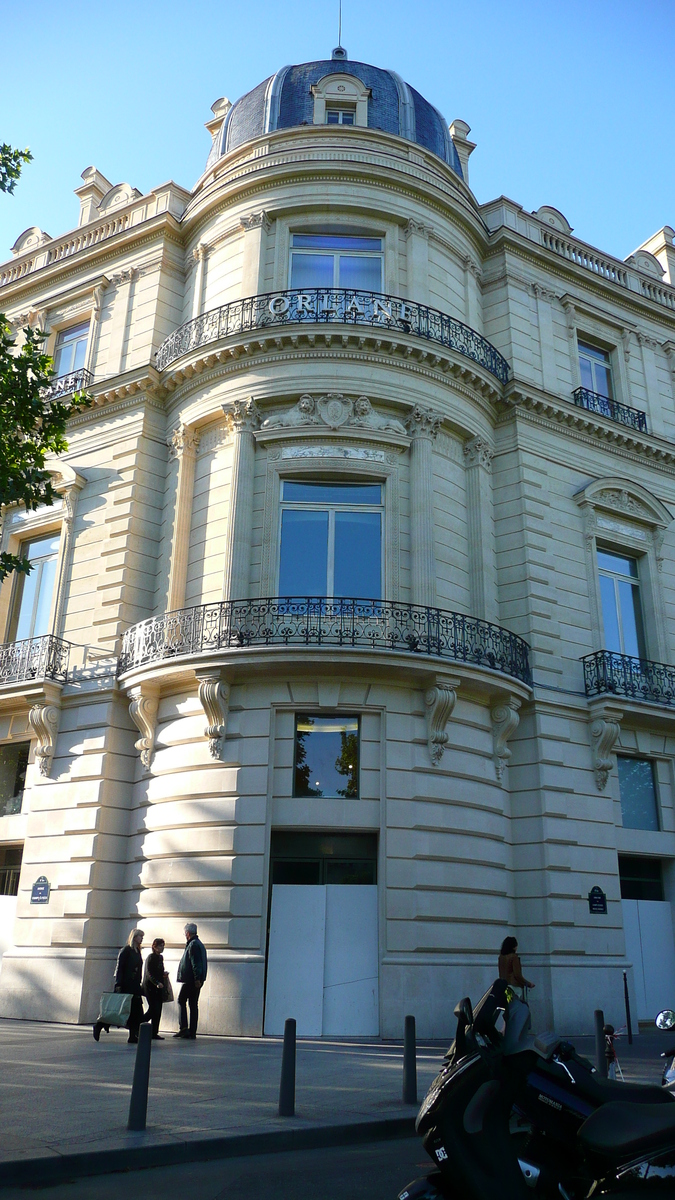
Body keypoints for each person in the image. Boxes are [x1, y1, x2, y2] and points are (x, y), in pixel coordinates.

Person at [94, 928, 147, 1044]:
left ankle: (133, 1035)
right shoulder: (126, 950)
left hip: (135, 986)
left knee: (136, 1011)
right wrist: (118, 984)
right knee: (119, 1010)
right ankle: (100, 1024)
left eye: (142, 937)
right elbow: (120, 968)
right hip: (126, 985)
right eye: (140, 936)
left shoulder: (137, 951)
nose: (142, 939)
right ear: (134, 937)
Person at [174, 922, 207, 1040]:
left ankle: (184, 1028)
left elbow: (195, 963)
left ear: (187, 933)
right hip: (195, 979)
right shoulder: (199, 944)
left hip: (191, 980)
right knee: (193, 1004)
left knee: (181, 1000)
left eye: (185, 933)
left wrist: (197, 978)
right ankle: (192, 1031)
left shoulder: (193, 945)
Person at [143, 937, 167, 1040]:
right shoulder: (151, 957)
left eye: (163, 946)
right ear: (154, 946)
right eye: (160, 946)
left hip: (159, 987)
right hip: (150, 987)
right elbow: (149, 973)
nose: (162, 948)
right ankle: (139, 1023)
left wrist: (163, 975)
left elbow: (160, 971)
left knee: (158, 1009)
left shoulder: (160, 958)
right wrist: (156, 982)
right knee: (153, 1009)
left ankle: (154, 1032)